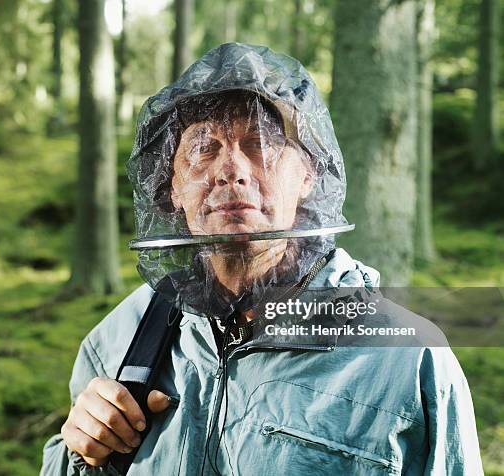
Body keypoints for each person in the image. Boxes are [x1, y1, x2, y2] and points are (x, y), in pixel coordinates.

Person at [40, 43, 484, 475]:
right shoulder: (122, 337)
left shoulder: (406, 358)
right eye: (202, 148)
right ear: (171, 185)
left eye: (260, 143)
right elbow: (73, 460)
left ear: (308, 173)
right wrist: (80, 451)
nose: (230, 169)